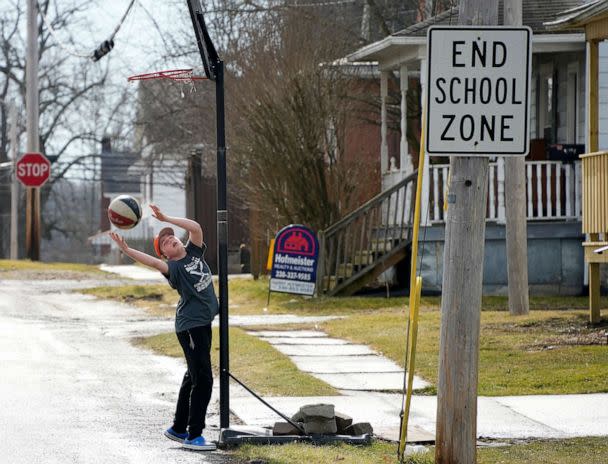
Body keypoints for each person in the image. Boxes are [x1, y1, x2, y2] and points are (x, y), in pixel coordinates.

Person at [109, 204, 218, 451]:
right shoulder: (173, 269)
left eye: (172, 238)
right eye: (166, 242)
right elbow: (151, 262)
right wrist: (127, 249)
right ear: (165, 255)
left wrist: (166, 218)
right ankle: (194, 435)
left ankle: (178, 428)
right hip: (191, 327)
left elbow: (196, 228)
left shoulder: (194, 253)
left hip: (202, 323)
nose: (172, 241)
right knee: (203, 379)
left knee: (193, 375)